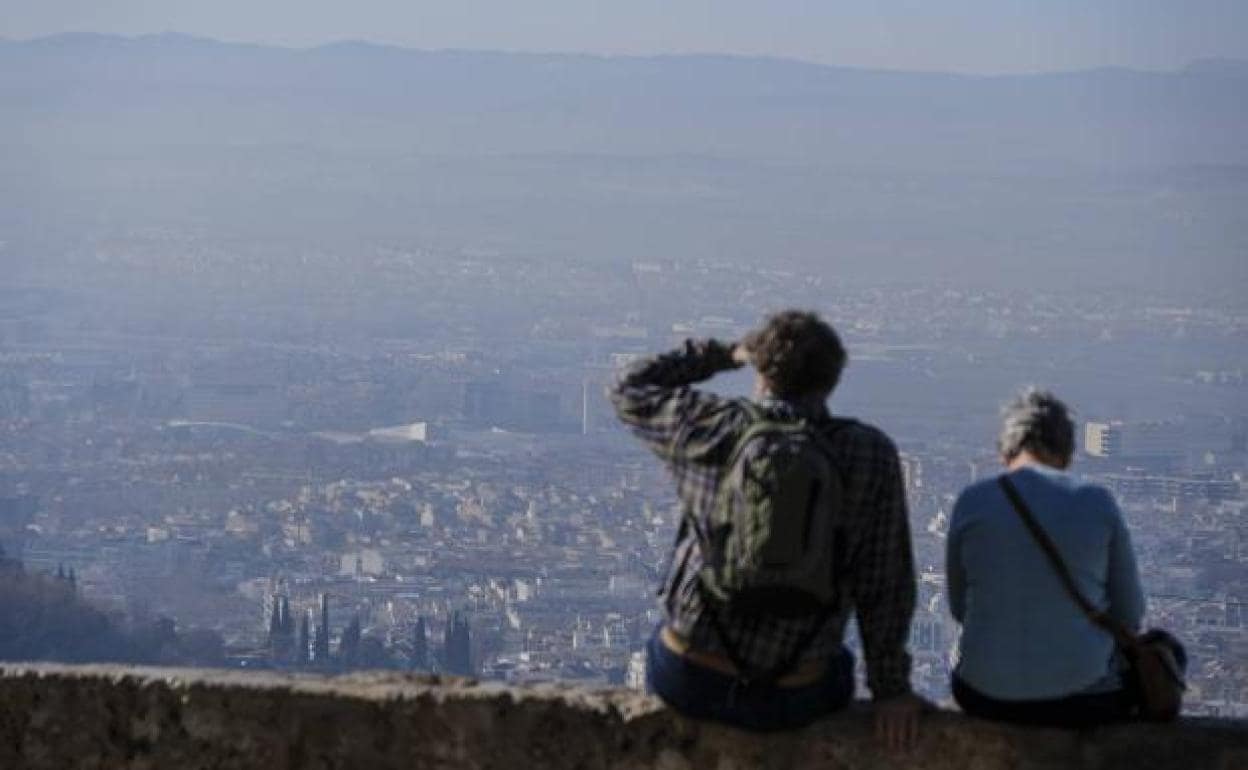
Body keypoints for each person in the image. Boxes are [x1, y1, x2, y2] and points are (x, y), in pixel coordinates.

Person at [609, 310, 925, 745]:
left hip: (693, 675)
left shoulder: (710, 426)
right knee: (838, 666)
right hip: (798, 691)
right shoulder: (868, 454)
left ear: (760, 370)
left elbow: (628, 387)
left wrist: (723, 354)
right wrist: (891, 689)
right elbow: (884, 583)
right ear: (831, 380)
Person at [946, 388, 1170, 728]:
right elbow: (1129, 614)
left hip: (981, 695)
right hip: (1081, 700)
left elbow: (960, 608)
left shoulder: (972, 501)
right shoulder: (1095, 501)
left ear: (1005, 449)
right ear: (1066, 451)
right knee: (1166, 654)